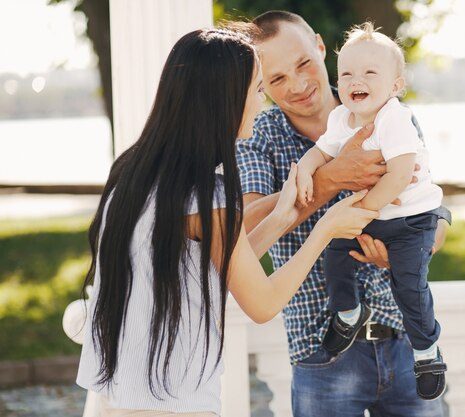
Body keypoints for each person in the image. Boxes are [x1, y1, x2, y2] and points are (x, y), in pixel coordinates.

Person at [75, 27, 378, 417]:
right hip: (172, 404)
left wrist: (285, 213)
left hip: (113, 397)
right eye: (257, 89)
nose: (262, 99)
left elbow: (220, 261)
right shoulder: (206, 195)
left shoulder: (134, 173)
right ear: (225, 100)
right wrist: (326, 229)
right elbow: (263, 303)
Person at [236, 11, 449, 417]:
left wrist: (418, 247)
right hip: (321, 350)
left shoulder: (391, 112)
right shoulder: (257, 135)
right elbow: (245, 229)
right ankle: (345, 314)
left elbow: (430, 209)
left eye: (303, 64)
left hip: (404, 340)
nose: (297, 85)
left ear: (319, 46)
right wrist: (331, 178)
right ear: (261, 83)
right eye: (277, 79)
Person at [295, 22, 448, 400]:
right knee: (335, 257)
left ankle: (426, 350)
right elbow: (323, 151)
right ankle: (348, 312)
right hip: (372, 216)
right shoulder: (340, 119)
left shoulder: (395, 118)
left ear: (395, 86)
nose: (354, 80)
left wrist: (361, 210)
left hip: (411, 220)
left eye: (369, 73)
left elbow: (398, 178)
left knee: (409, 286)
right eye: (346, 73)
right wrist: (305, 166)